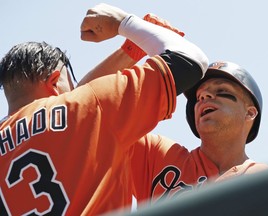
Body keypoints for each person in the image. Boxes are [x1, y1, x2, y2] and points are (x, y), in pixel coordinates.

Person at [0, 3, 208, 215]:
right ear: (54, 82)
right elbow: (190, 60)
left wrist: (129, 52)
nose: (75, 89)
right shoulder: (84, 108)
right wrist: (123, 23)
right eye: (70, 82)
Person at [80, 11, 268, 210]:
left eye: (222, 91)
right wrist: (131, 51)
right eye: (199, 96)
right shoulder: (159, 156)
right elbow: (87, 108)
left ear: (250, 113)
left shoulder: (265, 181)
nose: (204, 96)